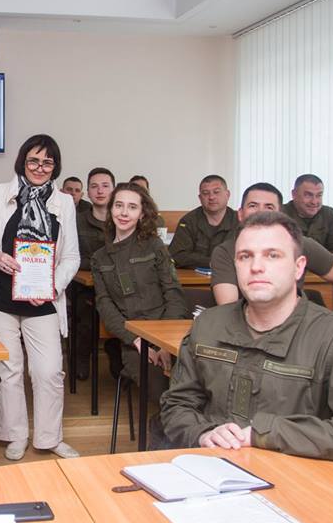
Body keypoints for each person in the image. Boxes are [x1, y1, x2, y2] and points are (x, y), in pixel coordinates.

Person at [160, 212, 333, 464]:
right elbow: (177, 406)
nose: (256, 267)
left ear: (299, 267)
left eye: (272, 255)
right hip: (213, 468)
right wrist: (203, 433)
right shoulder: (208, 325)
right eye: (245, 256)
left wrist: (264, 434)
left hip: (297, 475)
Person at [0, 134, 81, 461]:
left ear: (55, 167)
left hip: (43, 301)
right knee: (9, 370)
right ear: (22, 161)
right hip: (2, 299)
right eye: (34, 160)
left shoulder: (64, 202)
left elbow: (71, 257)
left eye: (47, 162)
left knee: (49, 371)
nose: (39, 167)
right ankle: (14, 434)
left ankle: (50, 437)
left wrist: (52, 286)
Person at [92, 182, 188, 396]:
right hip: (133, 338)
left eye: (132, 207)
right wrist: (135, 340)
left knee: (186, 385)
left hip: (167, 332)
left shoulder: (155, 246)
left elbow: (173, 293)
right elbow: (105, 305)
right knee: (156, 385)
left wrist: (165, 344)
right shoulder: (99, 258)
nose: (124, 213)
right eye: (119, 205)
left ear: (142, 214)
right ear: (111, 209)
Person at [211, 183, 333, 309]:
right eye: (253, 206)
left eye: (269, 207)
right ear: (240, 214)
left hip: (294, 320)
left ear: (281, 215)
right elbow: (228, 308)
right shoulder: (225, 251)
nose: (260, 212)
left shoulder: (300, 244)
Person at [73, 167, 115, 380]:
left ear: (113, 190)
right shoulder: (76, 221)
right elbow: (71, 257)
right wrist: (102, 265)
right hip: (84, 287)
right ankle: (82, 356)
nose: (100, 191)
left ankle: (116, 351)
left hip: (118, 286)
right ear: (87, 192)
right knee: (87, 316)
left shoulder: (122, 219)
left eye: (105, 186)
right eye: (94, 186)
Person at [170, 175, 238, 269]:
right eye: (206, 193)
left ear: (227, 194)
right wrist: (212, 262)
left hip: (231, 274)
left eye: (216, 192)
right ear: (200, 198)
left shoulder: (240, 220)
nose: (211, 197)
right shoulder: (188, 221)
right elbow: (177, 255)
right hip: (193, 276)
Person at [281, 174, 333, 253]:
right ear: (294, 194)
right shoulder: (280, 215)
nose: (314, 202)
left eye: (319, 195)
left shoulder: (330, 215)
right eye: (308, 195)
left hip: (324, 260)